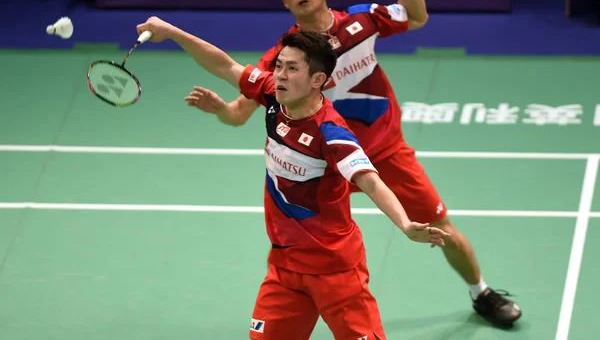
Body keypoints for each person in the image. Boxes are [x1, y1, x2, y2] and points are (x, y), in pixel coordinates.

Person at [184, 0, 522, 326]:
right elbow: (238, 115)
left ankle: (482, 292)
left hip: (384, 151)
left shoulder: (361, 21)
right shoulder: (283, 60)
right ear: (284, 1)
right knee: (306, 246)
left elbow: (417, 16)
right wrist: (220, 110)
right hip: (324, 168)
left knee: (439, 224)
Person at [135, 18, 450, 339]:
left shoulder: (331, 132)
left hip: (335, 270)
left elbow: (369, 180)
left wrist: (405, 225)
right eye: (279, 66)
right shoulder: (272, 94)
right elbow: (224, 65)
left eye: (292, 69)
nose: (281, 75)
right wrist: (173, 32)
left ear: (318, 80)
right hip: (285, 268)